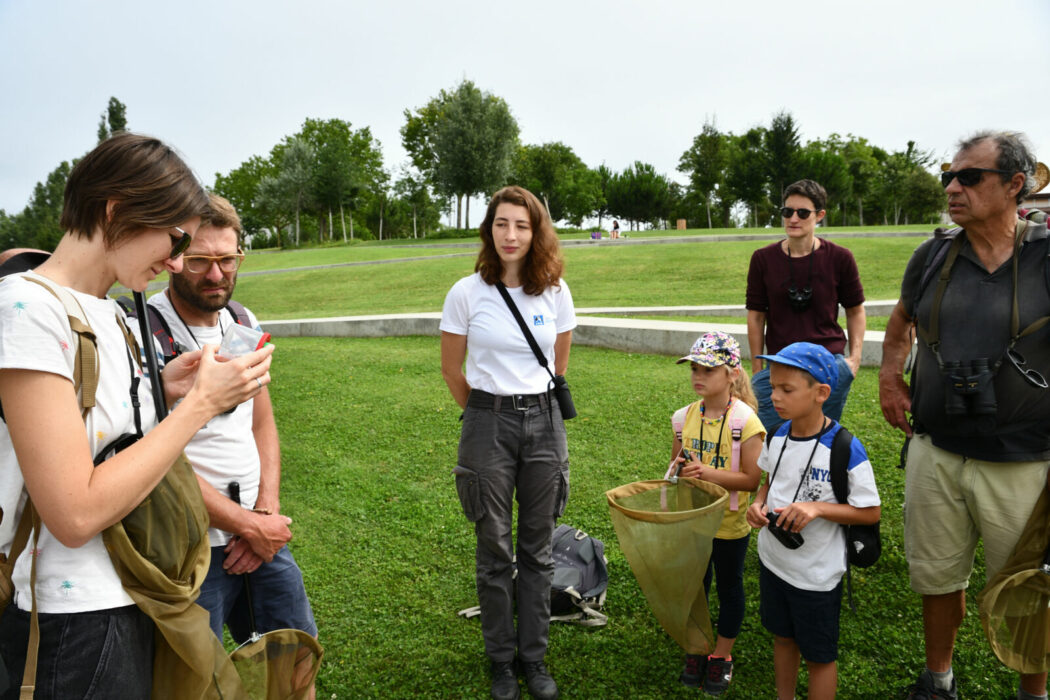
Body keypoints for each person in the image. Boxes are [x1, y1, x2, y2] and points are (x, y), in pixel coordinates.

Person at [0, 133, 272, 697]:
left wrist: (167, 389)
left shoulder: (111, 314)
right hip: (72, 614)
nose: (177, 260)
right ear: (116, 210)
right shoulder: (26, 311)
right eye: (174, 239)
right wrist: (199, 407)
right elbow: (73, 513)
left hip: (137, 588)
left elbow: (108, 432)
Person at [879, 131, 1048, 700]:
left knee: (1028, 587)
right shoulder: (932, 255)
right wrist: (889, 379)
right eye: (949, 177)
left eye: (969, 177)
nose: (953, 187)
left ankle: (1033, 691)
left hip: (1023, 460)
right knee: (935, 576)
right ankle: (939, 681)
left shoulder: (1046, 254)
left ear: (1014, 185)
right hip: (937, 449)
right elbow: (901, 322)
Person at [147, 193, 317, 648]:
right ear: (173, 257)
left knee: (293, 661)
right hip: (188, 547)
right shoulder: (140, 331)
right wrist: (246, 525)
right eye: (201, 260)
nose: (218, 275)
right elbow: (154, 459)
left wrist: (265, 512)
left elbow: (261, 422)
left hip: (259, 536)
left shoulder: (242, 320)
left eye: (228, 258)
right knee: (198, 681)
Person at [440, 185, 576, 700]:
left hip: (544, 422)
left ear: (536, 231)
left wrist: (529, 405)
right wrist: (487, 414)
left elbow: (559, 363)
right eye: (502, 224)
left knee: (538, 550)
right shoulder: (466, 292)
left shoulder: (556, 290)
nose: (511, 235)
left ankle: (534, 658)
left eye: (521, 225)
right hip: (487, 424)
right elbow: (453, 371)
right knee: (494, 548)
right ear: (489, 228)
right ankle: (501, 661)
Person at [745, 342, 880, 700]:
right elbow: (768, 483)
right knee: (783, 638)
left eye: (786, 389)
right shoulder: (776, 436)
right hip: (774, 562)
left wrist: (817, 509)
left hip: (816, 576)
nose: (775, 396)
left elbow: (870, 511)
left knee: (819, 656)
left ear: (821, 393)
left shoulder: (845, 448)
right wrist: (757, 506)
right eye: (772, 386)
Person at [666, 331, 764, 695]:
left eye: (708, 368)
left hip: (729, 525)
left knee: (729, 586)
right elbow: (674, 464)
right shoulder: (683, 418)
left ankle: (722, 655)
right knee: (696, 586)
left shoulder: (746, 422)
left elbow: (752, 479)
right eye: (694, 367)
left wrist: (707, 473)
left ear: (732, 373)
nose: (698, 376)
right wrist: (678, 469)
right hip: (693, 521)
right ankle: (698, 646)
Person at [746, 179, 866, 433]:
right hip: (778, 367)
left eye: (803, 213)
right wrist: (757, 369)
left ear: (820, 215)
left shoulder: (840, 258)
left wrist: (853, 360)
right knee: (772, 442)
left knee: (819, 442)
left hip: (827, 367)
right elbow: (756, 316)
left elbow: (855, 310)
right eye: (787, 212)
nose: (793, 219)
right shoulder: (762, 259)